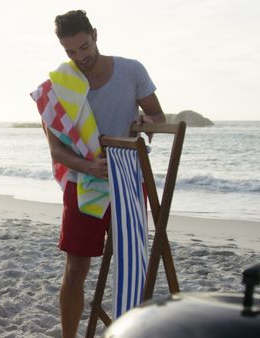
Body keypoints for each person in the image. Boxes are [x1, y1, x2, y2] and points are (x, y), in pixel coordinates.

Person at [40, 10, 166, 338]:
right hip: (83, 182)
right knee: (77, 267)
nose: (80, 57)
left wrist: (149, 123)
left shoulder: (131, 71)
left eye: (84, 47)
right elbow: (56, 150)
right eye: (70, 52)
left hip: (127, 179)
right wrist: (87, 166)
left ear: (95, 35)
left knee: (132, 265)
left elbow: (157, 114)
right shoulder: (58, 87)